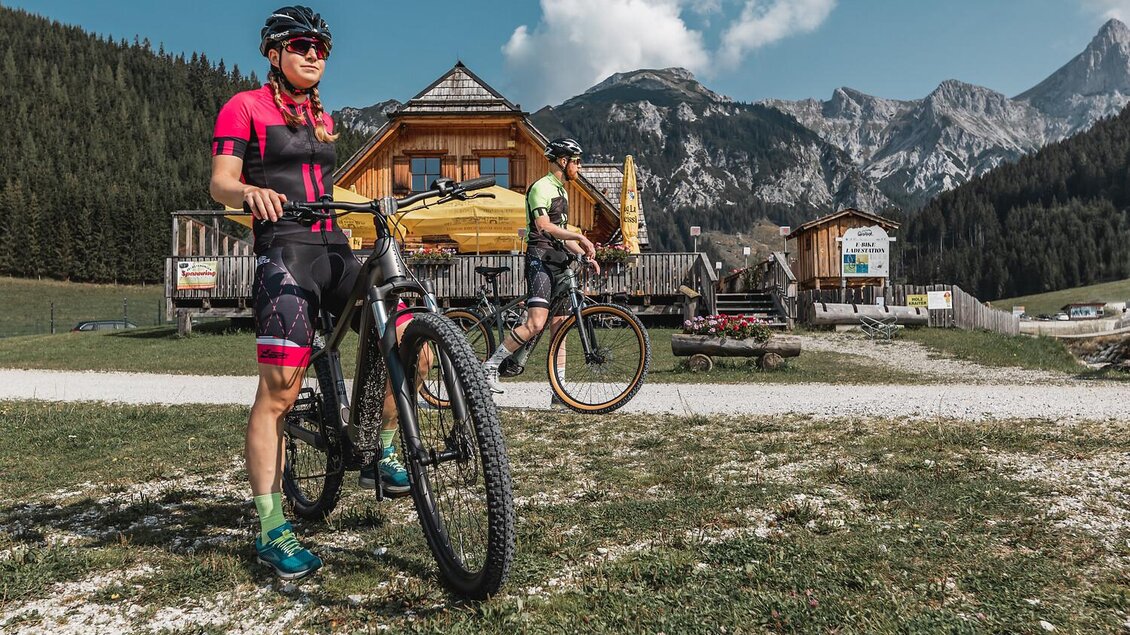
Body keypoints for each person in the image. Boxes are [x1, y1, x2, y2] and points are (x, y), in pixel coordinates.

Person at [209, 6, 411, 580]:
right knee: (279, 390)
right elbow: (220, 180)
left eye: (322, 46)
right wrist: (248, 192)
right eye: (301, 44)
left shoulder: (321, 118)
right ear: (274, 52)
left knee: (408, 341)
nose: (314, 53)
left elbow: (321, 179)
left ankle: (384, 449)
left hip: (335, 248)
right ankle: (272, 528)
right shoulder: (245, 107)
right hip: (286, 252)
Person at [481, 138, 599, 406]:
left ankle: (560, 392)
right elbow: (544, 226)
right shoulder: (540, 187)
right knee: (535, 323)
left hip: (559, 261)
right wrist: (580, 236)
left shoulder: (563, 191)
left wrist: (583, 254)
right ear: (563, 161)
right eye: (577, 161)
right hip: (539, 259)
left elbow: (562, 234)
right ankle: (489, 367)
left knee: (560, 331)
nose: (579, 167)